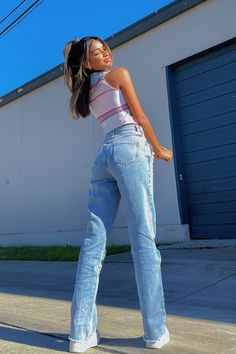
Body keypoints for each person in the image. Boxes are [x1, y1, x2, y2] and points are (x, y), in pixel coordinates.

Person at [63, 36, 173, 353]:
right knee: (143, 239)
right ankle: (155, 333)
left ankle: (81, 335)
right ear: (86, 62)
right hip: (129, 147)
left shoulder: (85, 92)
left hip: (104, 156)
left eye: (106, 48)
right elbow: (140, 118)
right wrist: (159, 149)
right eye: (97, 53)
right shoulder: (119, 75)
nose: (106, 54)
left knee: (94, 242)